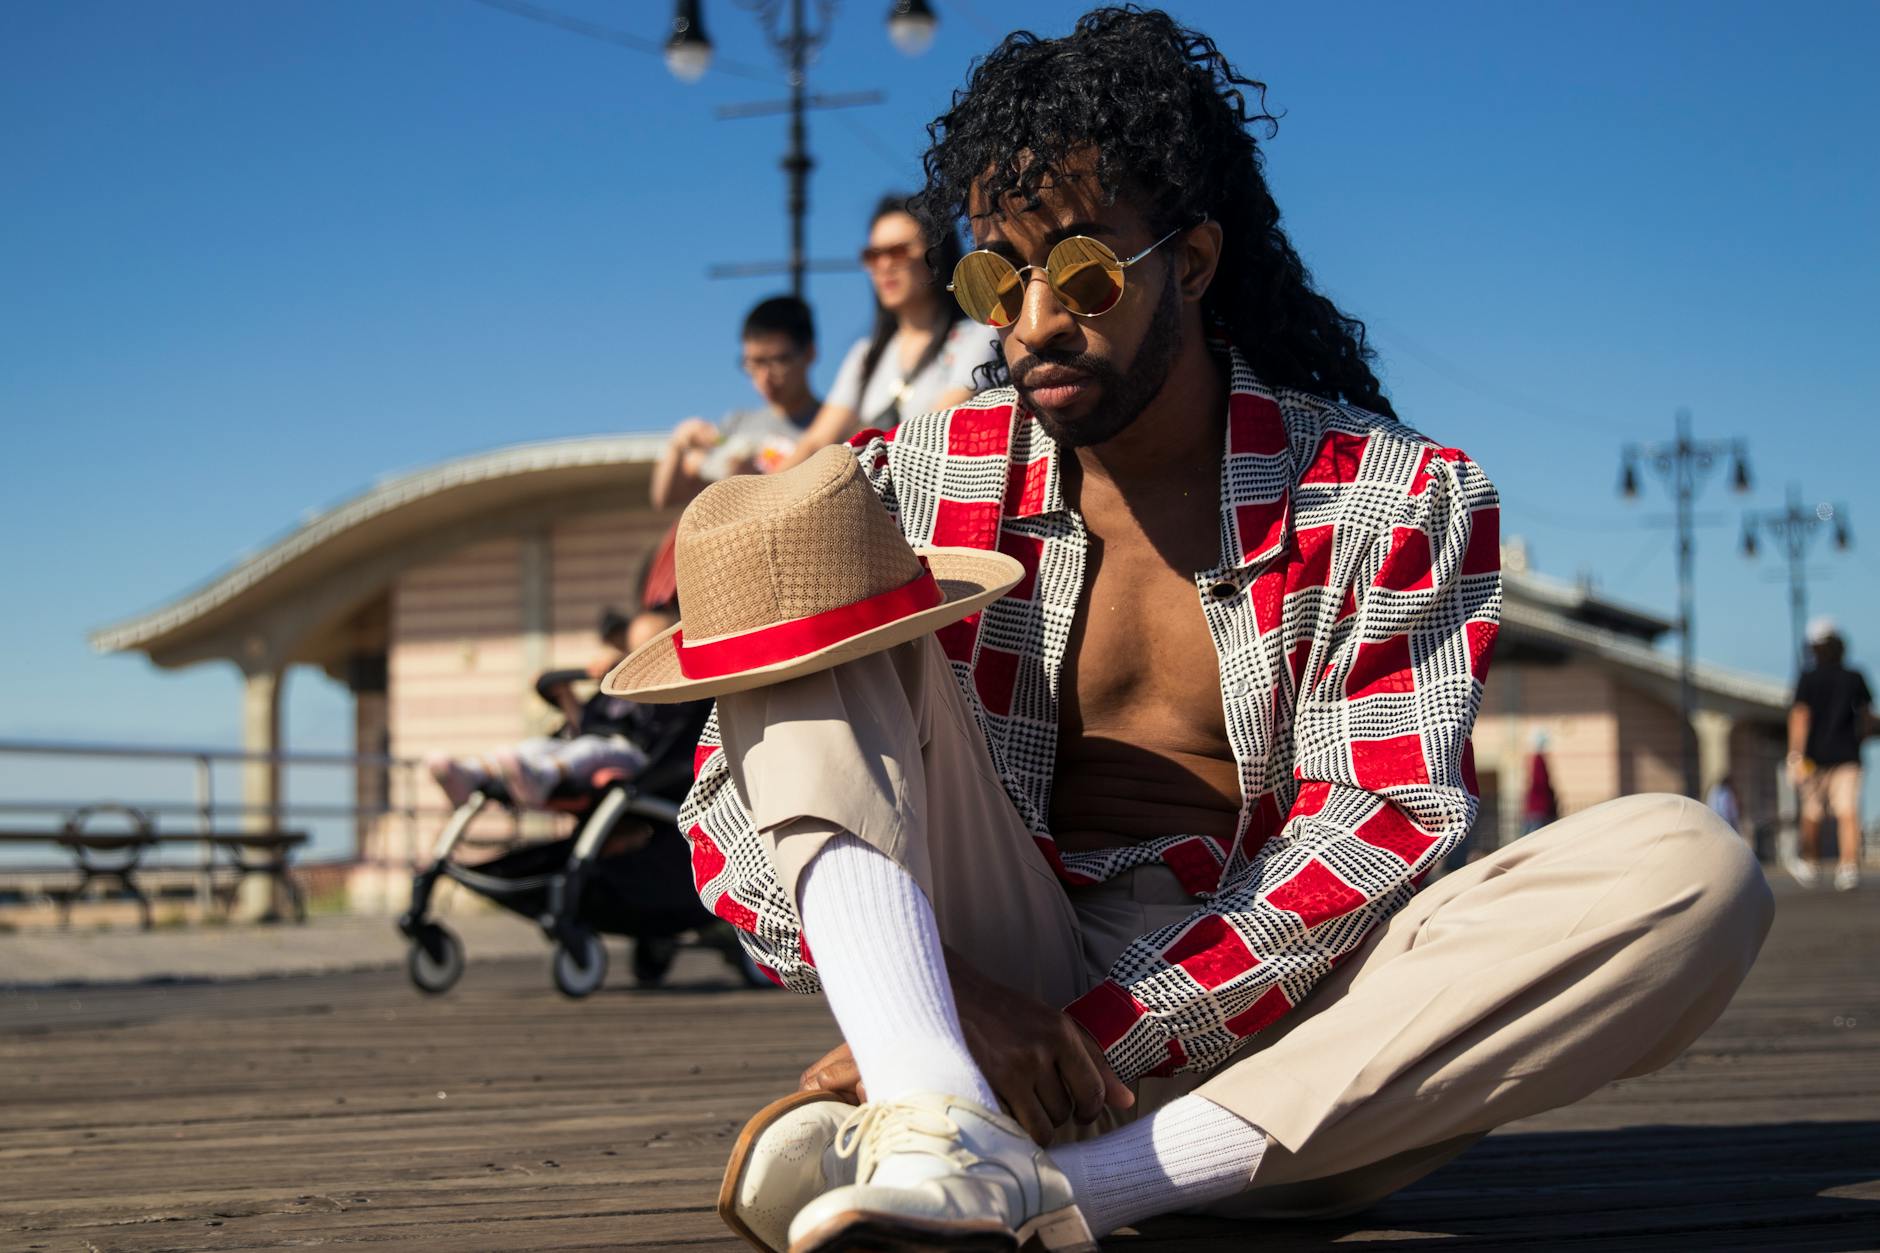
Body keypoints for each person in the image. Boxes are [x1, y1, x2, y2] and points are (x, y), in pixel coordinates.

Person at [619, 11, 1774, 1250]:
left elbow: (1370, 833)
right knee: (792, 538)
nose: (1033, 321)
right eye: (994, 278)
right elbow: (734, 823)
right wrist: (950, 1002)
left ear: (1196, 260)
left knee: (1689, 870)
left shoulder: (1388, 496)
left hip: (1285, 1044)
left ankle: (1037, 1173)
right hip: (1003, 970)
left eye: (1081, 271)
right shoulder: (915, 475)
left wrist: (1083, 1045)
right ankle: (938, 1098)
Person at [770, 194, 998, 469]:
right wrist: (755, 497)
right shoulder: (865, 356)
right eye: (873, 255)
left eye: (898, 251)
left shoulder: (979, 336)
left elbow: (933, 434)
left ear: (936, 253)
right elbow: (815, 442)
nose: (884, 265)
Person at [424, 606, 676, 811]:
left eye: (647, 650)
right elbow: (585, 726)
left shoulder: (673, 693)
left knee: (590, 749)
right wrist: (565, 696)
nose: (636, 656)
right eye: (633, 650)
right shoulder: (614, 693)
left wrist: (620, 666)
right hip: (592, 747)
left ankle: (545, 777)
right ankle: (473, 772)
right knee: (536, 746)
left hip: (640, 759)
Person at [651, 296, 822, 511]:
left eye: (778, 361)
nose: (764, 377)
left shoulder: (831, 429)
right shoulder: (736, 425)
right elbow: (665, 498)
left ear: (809, 354)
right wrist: (678, 442)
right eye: (754, 363)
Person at [1784, 617, 1871, 891]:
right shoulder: (1855, 677)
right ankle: (1848, 868)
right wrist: (1861, 738)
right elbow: (1867, 717)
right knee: (1847, 811)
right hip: (1848, 755)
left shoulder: (1808, 679)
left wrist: (1795, 755)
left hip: (1814, 757)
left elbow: (1800, 716)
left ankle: (1810, 864)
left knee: (1812, 811)